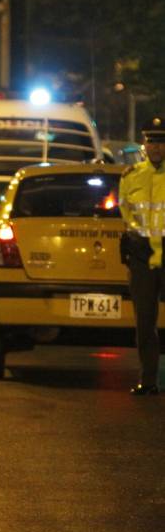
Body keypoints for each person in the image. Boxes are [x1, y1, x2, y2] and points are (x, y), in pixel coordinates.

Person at [119, 116, 165, 396]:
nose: (157, 147)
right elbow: (126, 213)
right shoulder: (131, 176)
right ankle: (148, 381)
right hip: (142, 255)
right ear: (144, 145)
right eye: (152, 141)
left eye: (161, 142)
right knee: (145, 320)